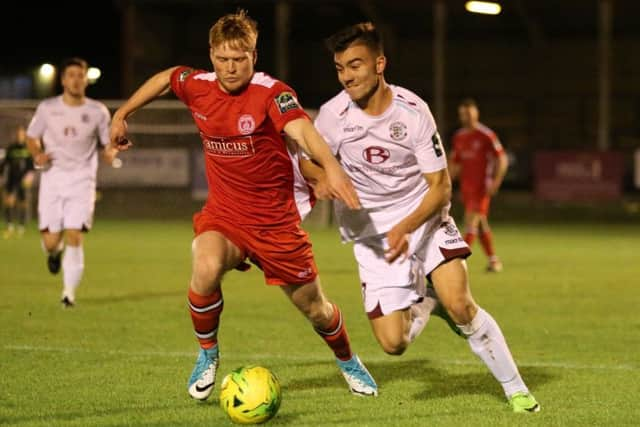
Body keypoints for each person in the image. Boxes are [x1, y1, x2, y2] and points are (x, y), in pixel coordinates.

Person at [109, 10, 378, 401]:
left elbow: (301, 128)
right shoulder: (198, 84)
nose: (231, 68)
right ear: (211, 54)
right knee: (204, 266)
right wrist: (122, 113)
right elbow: (167, 77)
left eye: (240, 59)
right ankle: (207, 355)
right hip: (225, 216)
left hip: (275, 224)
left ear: (255, 55)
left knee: (316, 309)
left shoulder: (272, 93)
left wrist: (331, 168)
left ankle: (349, 361)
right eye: (222, 59)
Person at [305, 22, 539, 412]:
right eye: (340, 68)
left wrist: (407, 226)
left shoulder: (413, 112)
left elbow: (441, 187)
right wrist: (326, 176)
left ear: (380, 64)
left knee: (463, 304)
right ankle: (429, 298)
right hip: (371, 234)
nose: (346, 76)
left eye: (355, 65)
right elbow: (305, 163)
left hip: (423, 217)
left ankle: (516, 390)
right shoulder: (332, 115)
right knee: (393, 344)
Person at [26, 57, 119, 307]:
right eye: (71, 75)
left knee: (74, 234)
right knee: (51, 241)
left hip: (82, 180)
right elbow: (32, 136)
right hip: (52, 180)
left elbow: (106, 143)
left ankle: (68, 294)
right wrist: (37, 154)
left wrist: (111, 153)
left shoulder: (97, 111)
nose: (76, 80)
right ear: (63, 79)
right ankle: (53, 254)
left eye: (80, 75)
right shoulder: (47, 108)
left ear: (86, 79)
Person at [449, 98, 509, 272]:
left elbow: (502, 159)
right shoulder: (459, 137)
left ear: (476, 113)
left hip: (482, 187)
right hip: (467, 188)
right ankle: (493, 260)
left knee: (471, 221)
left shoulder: (486, 135)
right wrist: (446, 184)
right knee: (481, 224)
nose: (466, 117)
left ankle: (458, 261)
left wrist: (496, 181)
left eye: (469, 113)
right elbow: (455, 163)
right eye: (463, 114)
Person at [1, 125, 34, 238]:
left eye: (21, 134)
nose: (19, 136)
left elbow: (31, 165)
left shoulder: (28, 148)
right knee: (9, 201)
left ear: (24, 135)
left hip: (23, 179)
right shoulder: (11, 148)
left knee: (23, 203)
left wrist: (30, 176)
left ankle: (21, 226)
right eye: (18, 134)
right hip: (11, 178)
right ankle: (9, 225)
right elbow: (5, 163)